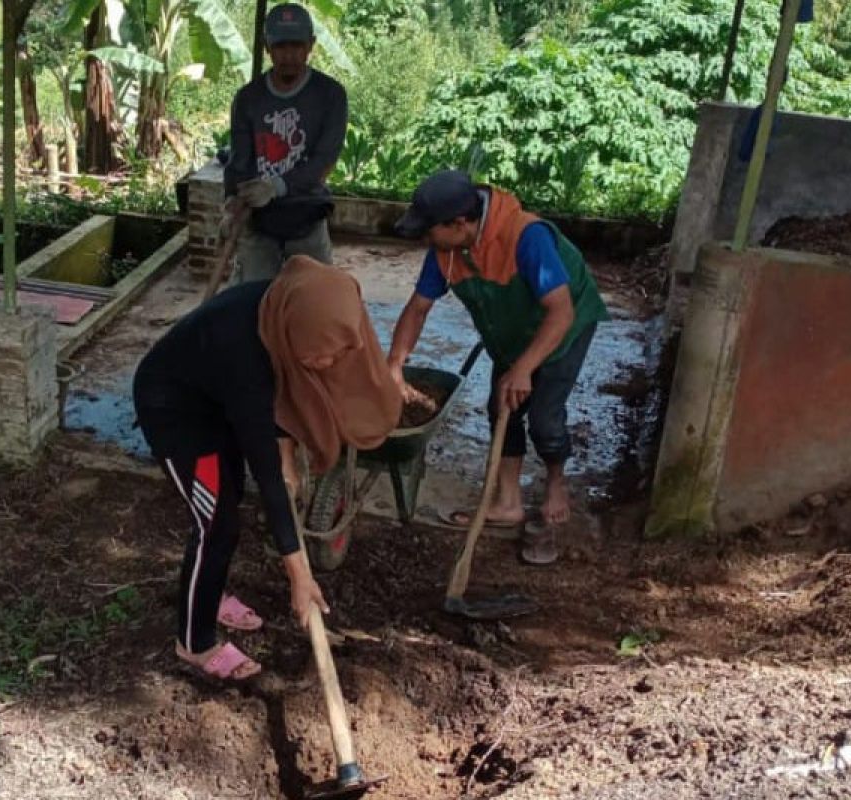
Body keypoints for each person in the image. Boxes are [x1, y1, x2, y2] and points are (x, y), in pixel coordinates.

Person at [133, 256, 401, 681]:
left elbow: (283, 398)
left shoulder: (286, 309)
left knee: (229, 497)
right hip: (177, 413)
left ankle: (211, 592)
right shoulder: (243, 352)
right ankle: (194, 642)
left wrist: (287, 457)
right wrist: (299, 576)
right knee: (215, 524)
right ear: (297, 333)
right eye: (320, 356)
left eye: (335, 356)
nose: (328, 365)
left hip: (217, 401)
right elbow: (267, 470)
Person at [387, 170, 609, 542]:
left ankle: (555, 482)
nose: (425, 239)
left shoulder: (526, 237)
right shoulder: (446, 251)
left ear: (460, 223)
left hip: (563, 326)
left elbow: (561, 312)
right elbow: (417, 309)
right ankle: (509, 502)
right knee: (500, 407)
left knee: (544, 419)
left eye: (429, 230)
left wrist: (523, 369)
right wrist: (394, 365)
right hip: (509, 330)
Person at [222, 3, 348, 282]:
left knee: (313, 302)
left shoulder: (330, 95)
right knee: (250, 302)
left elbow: (324, 161)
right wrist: (231, 202)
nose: (288, 56)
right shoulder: (248, 98)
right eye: (280, 47)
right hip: (259, 220)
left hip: (306, 216)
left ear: (311, 45)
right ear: (267, 47)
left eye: (296, 46)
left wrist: (277, 186)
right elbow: (240, 161)